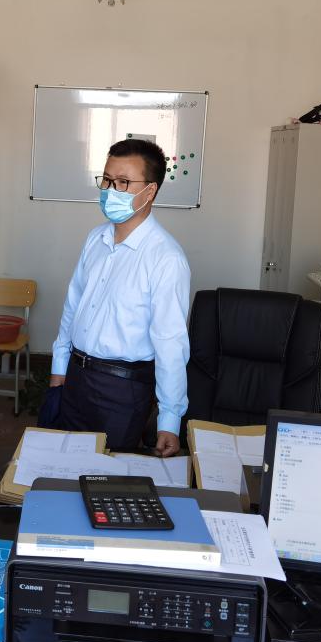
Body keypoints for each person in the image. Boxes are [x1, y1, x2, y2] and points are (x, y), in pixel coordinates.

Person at [47, 138, 191, 457]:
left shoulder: (166, 258)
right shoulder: (95, 238)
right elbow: (73, 307)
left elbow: (171, 343)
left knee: (107, 476)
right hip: (76, 377)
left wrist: (169, 419)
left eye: (123, 182)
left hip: (122, 390)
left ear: (149, 191)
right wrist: (59, 367)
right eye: (107, 180)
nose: (111, 190)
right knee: (64, 467)